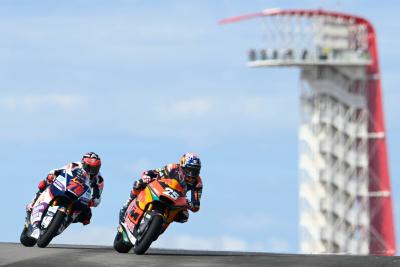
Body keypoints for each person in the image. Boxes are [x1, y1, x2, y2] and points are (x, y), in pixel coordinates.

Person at [119, 152, 203, 224]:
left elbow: (196, 204)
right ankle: (128, 202)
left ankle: (162, 224)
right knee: (139, 183)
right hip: (160, 188)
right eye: (190, 169)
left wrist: (191, 205)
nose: (192, 174)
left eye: (195, 171)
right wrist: (146, 177)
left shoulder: (198, 183)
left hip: (177, 198)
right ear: (182, 166)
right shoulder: (172, 168)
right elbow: (152, 172)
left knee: (184, 216)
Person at [27, 152, 104, 226]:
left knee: (87, 216)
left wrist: (92, 202)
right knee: (44, 184)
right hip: (67, 187)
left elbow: (98, 197)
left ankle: (65, 221)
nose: (92, 170)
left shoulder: (99, 179)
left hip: (81, 196)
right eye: (89, 167)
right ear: (83, 163)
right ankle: (34, 202)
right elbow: (57, 170)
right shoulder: (75, 165)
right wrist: (52, 175)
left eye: (95, 168)